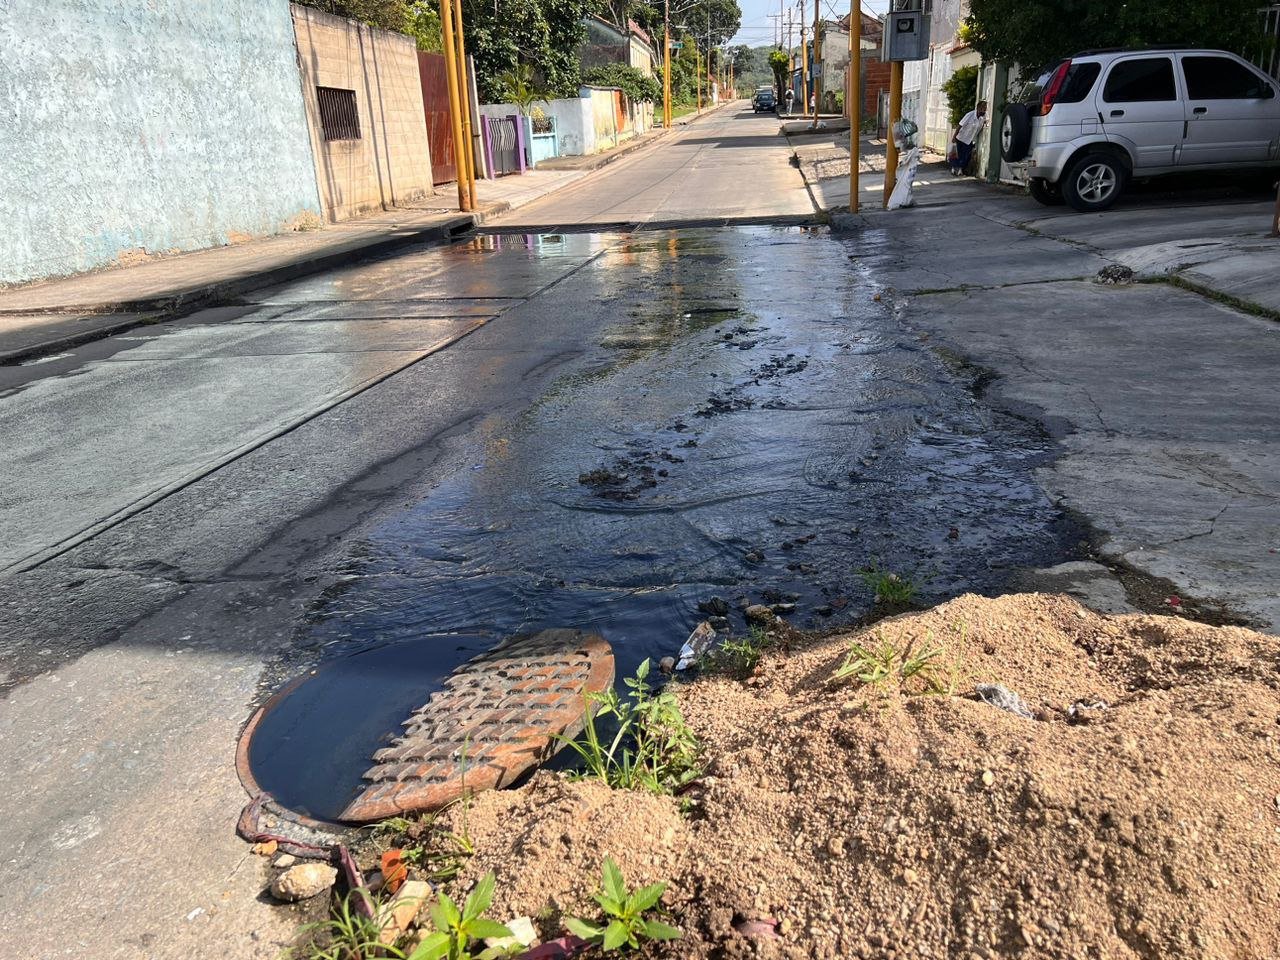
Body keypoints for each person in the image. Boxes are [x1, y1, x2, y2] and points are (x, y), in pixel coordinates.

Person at [950, 100, 987, 176]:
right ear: (978, 108)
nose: (984, 110)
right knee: (957, 154)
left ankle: (960, 170)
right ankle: (954, 168)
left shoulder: (983, 117)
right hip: (961, 138)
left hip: (969, 140)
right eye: (983, 108)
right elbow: (960, 125)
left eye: (985, 108)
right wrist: (954, 137)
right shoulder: (969, 115)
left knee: (966, 156)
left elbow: (982, 125)